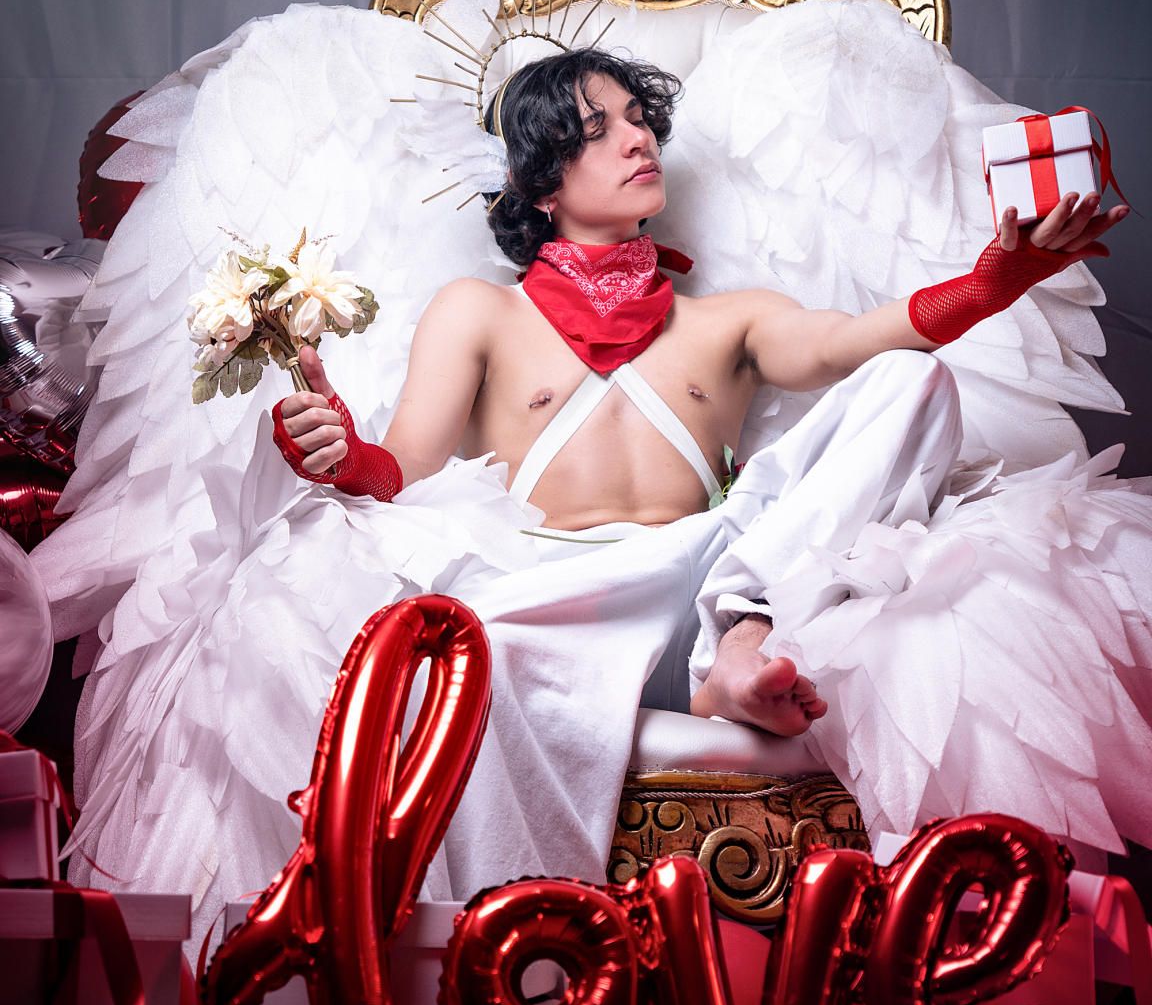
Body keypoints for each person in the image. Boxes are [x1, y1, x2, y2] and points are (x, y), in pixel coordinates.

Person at [272, 47, 1125, 746]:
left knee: (913, 377)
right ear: (540, 184)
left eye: (638, 120)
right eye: (598, 131)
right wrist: (343, 455)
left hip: (708, 585)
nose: (637, 140)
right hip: (548, 596)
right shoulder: (478, 310)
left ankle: (742, 644)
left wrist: (988, 285)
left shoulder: (730, 320)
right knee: (459, 643)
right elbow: (407, 474)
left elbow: (849, 342)